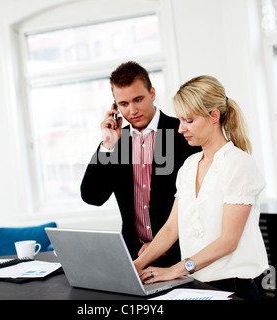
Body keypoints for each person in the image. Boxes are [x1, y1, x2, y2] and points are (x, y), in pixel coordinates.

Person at [133, 75, 269, 300]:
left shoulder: (238, 163)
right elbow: (170, 229)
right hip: (197, 286)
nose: (180, 129)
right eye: (179, 120)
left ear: (214, 116)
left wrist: (175, 270)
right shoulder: (189, 166)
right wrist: (136, 265)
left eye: (188, 120)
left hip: (234, 289)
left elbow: (229, 240)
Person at [80, 62, 200, 267]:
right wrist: (107, 145)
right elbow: (92, 197)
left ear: (152, 93)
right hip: (133, 258)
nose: (132, 110)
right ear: (115, 107)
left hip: (180, 257)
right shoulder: (116, 142)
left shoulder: (183, 133)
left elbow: (199, 204)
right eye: (123, 104)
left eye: (138, 99)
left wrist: (160, 246)